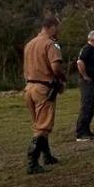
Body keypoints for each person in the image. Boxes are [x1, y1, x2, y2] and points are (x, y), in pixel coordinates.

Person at [23, 16, 66, 174]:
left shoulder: (30, 44)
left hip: (29, 87)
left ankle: (46, 155)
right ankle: (32, 162)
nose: (58, 31)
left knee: (38, 122)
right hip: (43, 87)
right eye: (57, 28)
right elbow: (56, 68)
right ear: (52, 27)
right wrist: (62, 79)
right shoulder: (50, 44)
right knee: (43, 126)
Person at [74, 30, 94, 141]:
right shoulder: (87, 49)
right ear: (93, 40)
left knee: (90, 106)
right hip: (87, 82)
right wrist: (85, 75)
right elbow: (79, 62)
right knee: (86, 105)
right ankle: (80, 132)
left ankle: (86, 130)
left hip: (92, 81)